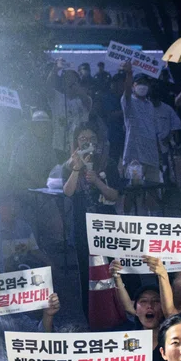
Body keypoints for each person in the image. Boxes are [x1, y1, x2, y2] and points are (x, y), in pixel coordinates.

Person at [63, 123, 121, 315]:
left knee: (112, 266)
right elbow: (68, 192)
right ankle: (91, 313)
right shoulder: (69, 165)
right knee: (86, 267)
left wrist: (97, 181)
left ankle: (117, 309)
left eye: (92, 139)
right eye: (83, 139)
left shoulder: (109, 163)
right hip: (82, 224)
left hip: (107, 223)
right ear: (76, 143)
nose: (88, 143)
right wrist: (76, 169)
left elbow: (114, 195)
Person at [120, 63, 161, 186]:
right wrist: (129, 74)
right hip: (135, 155)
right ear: (133, 86)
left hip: (152, 155)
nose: (143, 86)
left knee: (153, 189)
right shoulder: (128, 101)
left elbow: (154, 129)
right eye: (139, 83)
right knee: (133, 189)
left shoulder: (150, 105)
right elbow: (126, 92)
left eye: (145, 83)